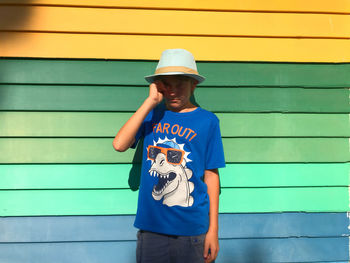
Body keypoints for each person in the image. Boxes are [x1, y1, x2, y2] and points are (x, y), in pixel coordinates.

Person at [113, 48, 225, 263]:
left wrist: (213, 231)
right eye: (167, 84)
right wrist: (150, 102)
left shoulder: (208, 122)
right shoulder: (151, 115)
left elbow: (211, 176)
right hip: (152, 230)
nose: (173, 91)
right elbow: (119, 144)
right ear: (158, 86)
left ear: (194, 84)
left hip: (193, 232)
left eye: (180, 84)